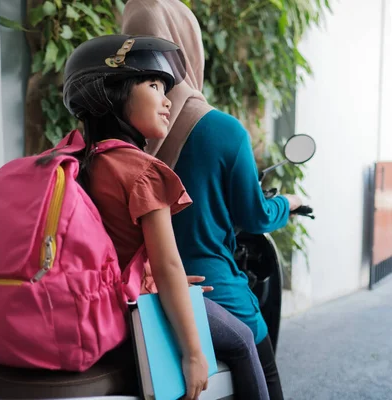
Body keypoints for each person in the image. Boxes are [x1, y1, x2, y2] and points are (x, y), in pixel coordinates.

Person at [61, 34, 270, 400]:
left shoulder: (81, 161)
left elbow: (113, 246)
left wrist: (151, 278)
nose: (167, 99)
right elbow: (169, 265)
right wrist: (193, 353)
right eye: (154, 85)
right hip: (140, 306)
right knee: (242, 338)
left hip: (108, 303)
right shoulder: (145, 172)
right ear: (112, 94)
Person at [122, 2, 303, 398]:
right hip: (208, 290)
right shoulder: (222, 130)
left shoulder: (112, 137)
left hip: (133, 297)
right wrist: (286, 203)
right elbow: (253, 216)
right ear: (188, 49)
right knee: (264, 373)